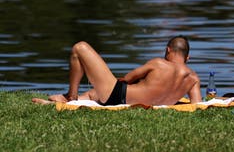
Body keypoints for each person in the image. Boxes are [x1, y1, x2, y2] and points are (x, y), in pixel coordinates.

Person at [32, 35, 202, 106]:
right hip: (126, 100)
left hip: (119, 96)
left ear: (167, 50)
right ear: (187, 58)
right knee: (93, 94)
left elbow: (127, 78)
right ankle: (65, 102)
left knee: (80, 48)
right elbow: (196, 106)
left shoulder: (158, 63)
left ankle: (71, 96)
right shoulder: (193, 79)